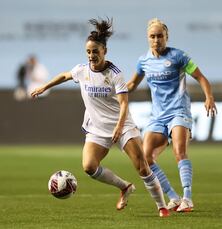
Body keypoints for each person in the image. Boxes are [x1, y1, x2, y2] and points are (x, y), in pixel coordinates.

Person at [31, 18, 169, 217]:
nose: (91, 55)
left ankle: (162, 206)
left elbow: (123, 103)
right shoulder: (82, 70)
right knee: (89, 166)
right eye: (88, 52)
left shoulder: (114, 74)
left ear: (104, 51)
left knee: (142, 167)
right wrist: (45, 86)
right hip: (97, 127)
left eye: (95, 51)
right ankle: (124, 187)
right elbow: (64, 75)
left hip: (122, 125)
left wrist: (119, 127)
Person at [127, 18, 217, 212]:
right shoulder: (143, 61)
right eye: (152, 36)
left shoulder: (179, 57)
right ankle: (173, 197)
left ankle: (188, 198)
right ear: (147, 38)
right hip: (158, 116)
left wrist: (209, 97)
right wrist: (115, 94)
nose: (156, 40)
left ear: (166, 37)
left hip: (179, 111)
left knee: (179, 151)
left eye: (160, 36)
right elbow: (132, 84)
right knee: (146, 158)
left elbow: (201, 77)